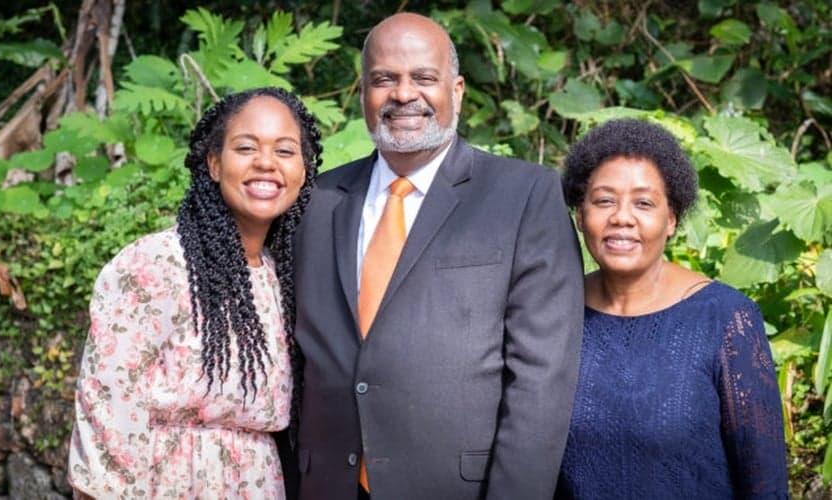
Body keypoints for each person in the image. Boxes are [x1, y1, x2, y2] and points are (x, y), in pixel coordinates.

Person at [292, 12, 584, 500]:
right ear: (362, 91)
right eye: (384, 79)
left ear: (458, 90)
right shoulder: (317, 201)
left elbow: (541, 380)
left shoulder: (524, 195)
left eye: (424, 78)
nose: (404, 94)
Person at [67, 87, 321, 499]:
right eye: (246, 147)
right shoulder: (156, 265)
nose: (266, 163)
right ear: (215, 164)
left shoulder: (285, 278)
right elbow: (107, 404)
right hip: (166, 482)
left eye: (285, 151)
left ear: (304, 171)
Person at [556, 119, 789, 498]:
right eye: (604, 200)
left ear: (671, 219)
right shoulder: (552, 313)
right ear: (580, 216)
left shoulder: (726, 319)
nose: (622, 218)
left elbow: (766, 484)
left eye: (644, 203)